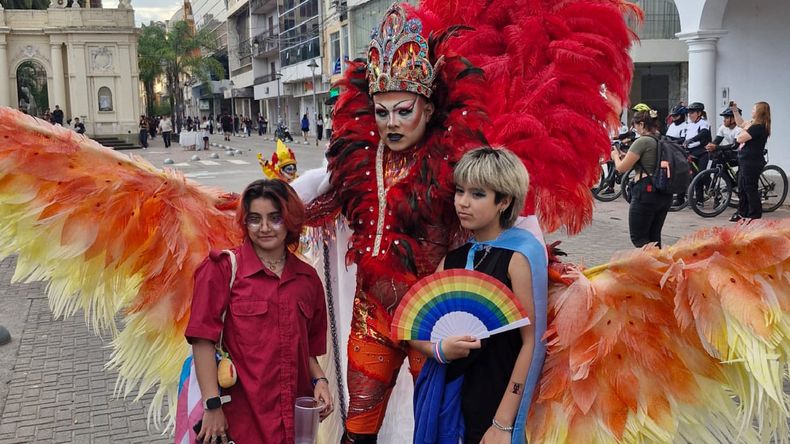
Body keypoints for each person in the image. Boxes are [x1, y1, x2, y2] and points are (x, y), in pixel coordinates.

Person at [411, 147, 547, 443]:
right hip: (451, 400)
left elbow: (532, 342)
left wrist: (503, 423)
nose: (463, 202)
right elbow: (414, 327)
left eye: (477, 194)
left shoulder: (519, 256)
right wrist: (438, 350)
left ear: (504, 201)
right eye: (460, 191)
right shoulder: (453, 260)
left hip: (497, 398)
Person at [185, 179, 333, 442]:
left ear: (290, 221)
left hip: (293, 423)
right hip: (240, 422)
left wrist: (320, 382)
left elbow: (308, 350)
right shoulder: (222, 269)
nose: (264, 228)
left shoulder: (308, 279)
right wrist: (212, 405)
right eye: (254, 219)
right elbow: (202, 340)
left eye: (275, 218)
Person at [611, 108, 673, 247]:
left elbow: (621, 168)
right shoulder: (661, 139)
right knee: (654, 238)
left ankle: (654, 261)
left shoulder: (642, 141)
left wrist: (615, 156)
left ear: (642, 124)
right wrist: (624, 155)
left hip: (645, 192)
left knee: (639, 238)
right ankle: (660, 261)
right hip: (663, 193)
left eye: (636, 125)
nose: (635, 129)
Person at [729, 101, 771, 222]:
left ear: (760, 112)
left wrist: (744, 129)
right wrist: (735, 110)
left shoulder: (758, 127)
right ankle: (742, 212)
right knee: (742, 187)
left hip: (752, 162)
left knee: (750, 188)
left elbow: (740, 138)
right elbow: (740, 123)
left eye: (754, 109)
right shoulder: (752, 124)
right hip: (745, 160)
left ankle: (754, 215)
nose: (752, 111)